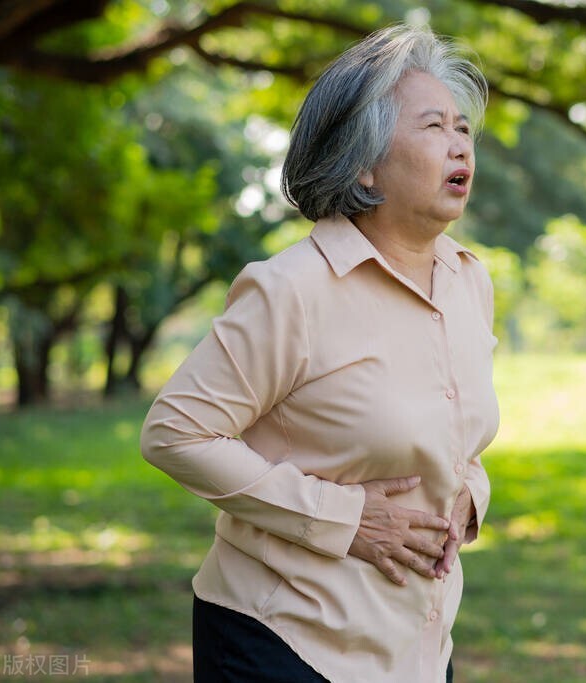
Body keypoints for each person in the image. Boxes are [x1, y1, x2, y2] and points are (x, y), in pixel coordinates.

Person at [140, 24, 498, 683]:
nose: (459, 143)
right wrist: (343, 519)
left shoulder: (469, 281)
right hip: (282, 639)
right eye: (433, 126)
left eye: (464, 128)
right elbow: (175, 432)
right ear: (364, 163)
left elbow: (459, 439)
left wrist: (468, 495)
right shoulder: (292, 289)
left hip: (418, 648)